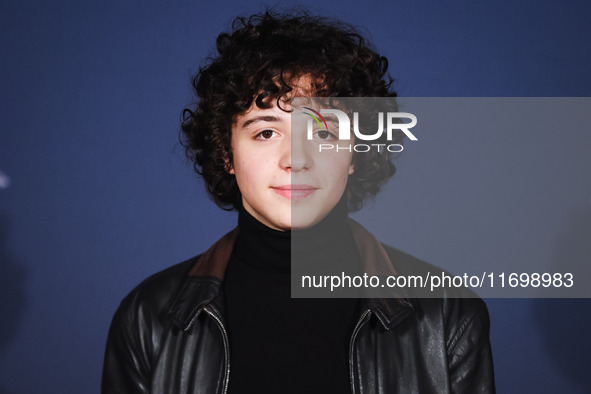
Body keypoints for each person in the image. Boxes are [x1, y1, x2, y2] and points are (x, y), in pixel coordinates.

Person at [101, 10, 495, 394]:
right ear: (226, 153)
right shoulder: (148, 317)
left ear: (355, 152)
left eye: (322, 133)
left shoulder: (447, 314)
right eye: (266, 133)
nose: (296, 159)